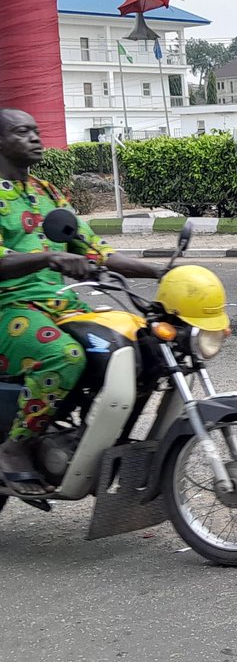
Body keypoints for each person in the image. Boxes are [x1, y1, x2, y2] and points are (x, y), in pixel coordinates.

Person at [0, 109, 164, 497]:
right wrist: (49, 257)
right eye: (23, 132)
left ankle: (92, 442)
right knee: (65, 356)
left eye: (37, 130)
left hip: (57, 305)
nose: (35, 138)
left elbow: (96, 251)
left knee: (139, 345)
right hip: (9, 308)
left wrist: (162, 270)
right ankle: (14, 448)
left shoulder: (47, 193)